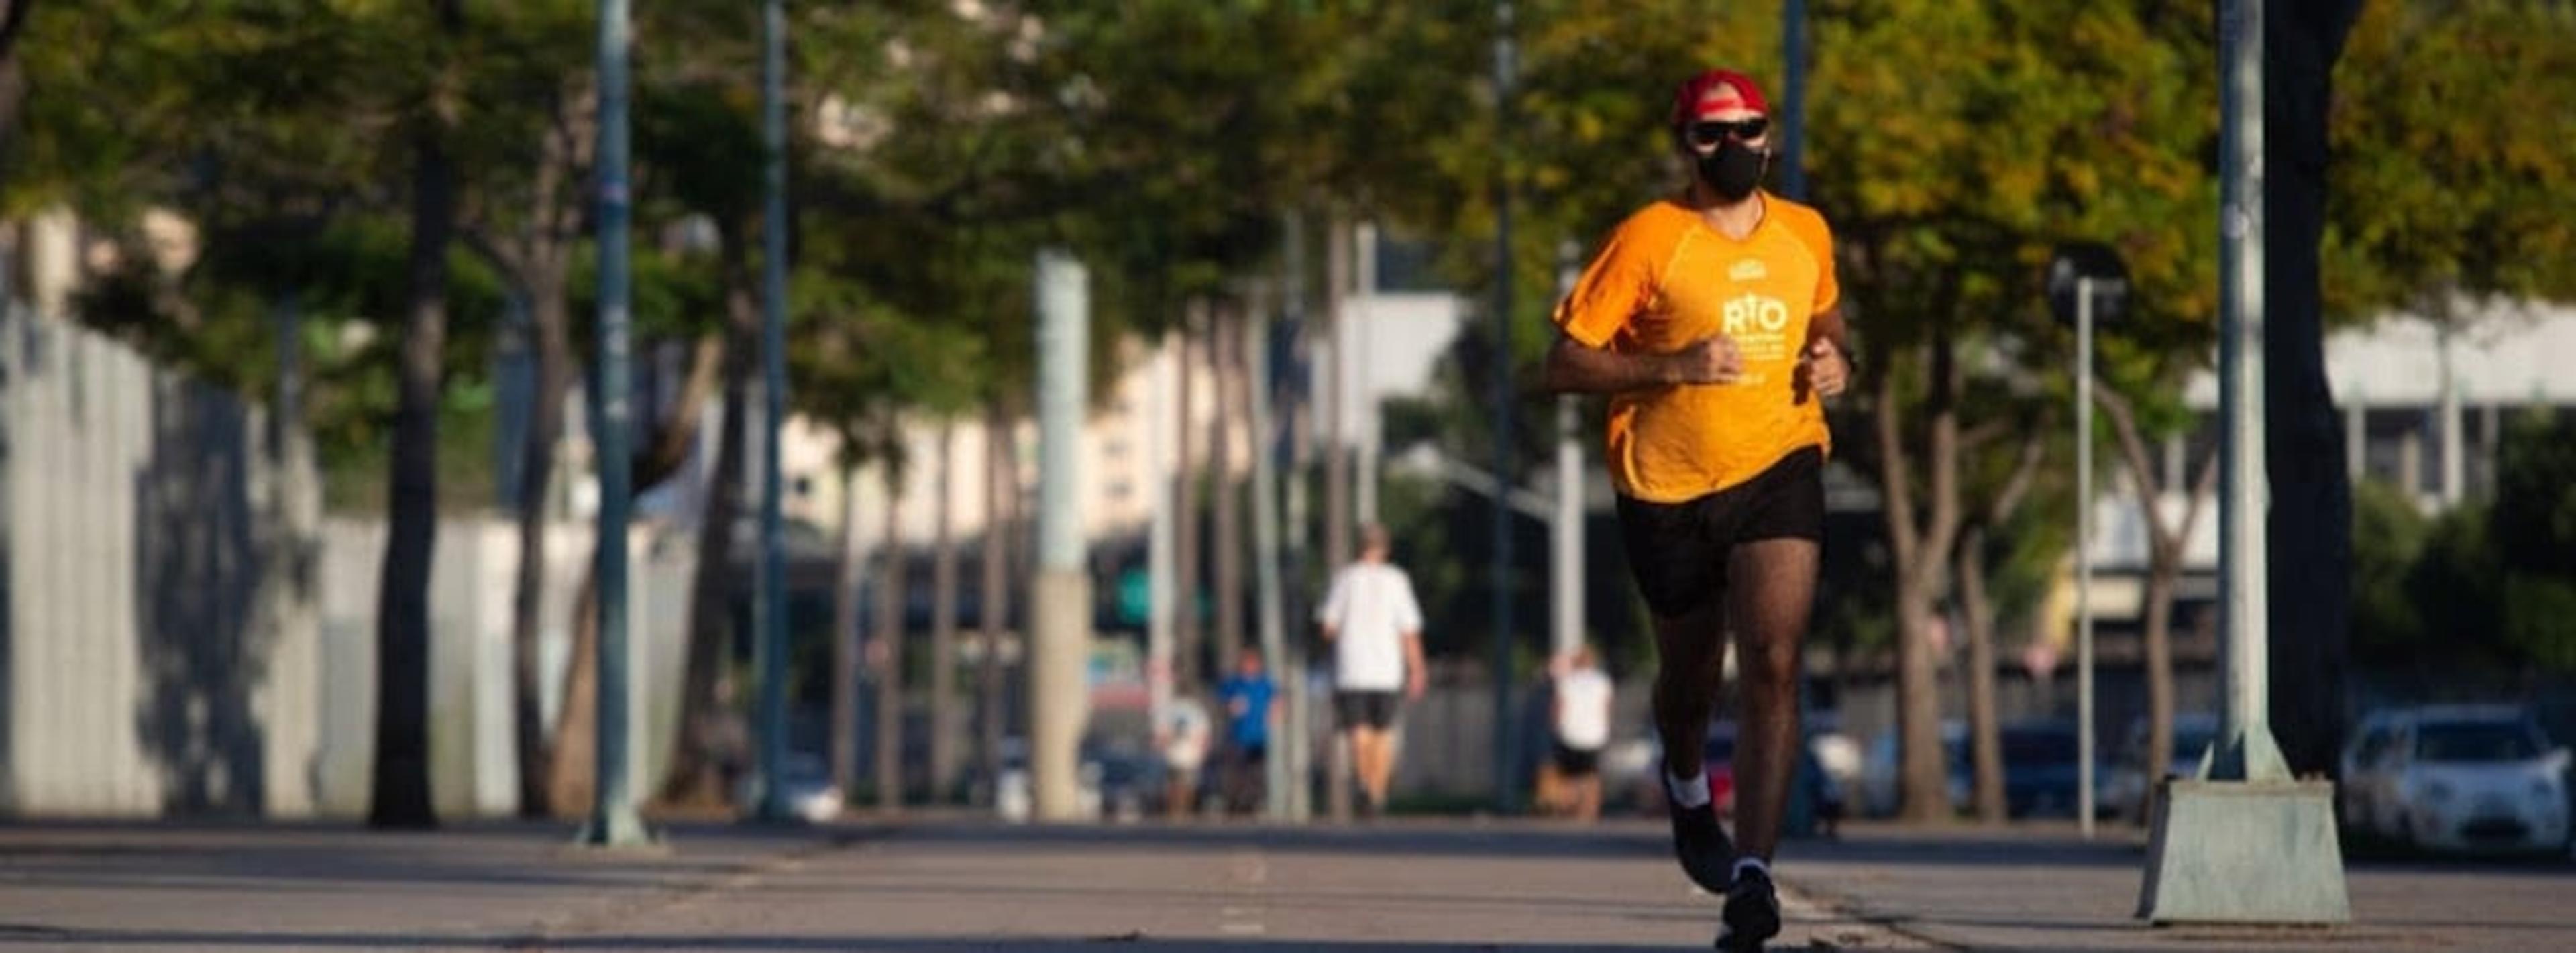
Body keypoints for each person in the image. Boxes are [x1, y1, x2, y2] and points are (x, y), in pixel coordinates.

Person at [1539, 67, 1851, 951]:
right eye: (1711, 134)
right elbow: (1564, 362)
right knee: (1690, 683)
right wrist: (1672, 367)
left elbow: (1827, 325)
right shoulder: (1650, 238)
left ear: (1770, 135)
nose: (1733, 147)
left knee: (1776, 661)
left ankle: (1753, 876)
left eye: (1748, 129)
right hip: (1666, 486)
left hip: (1778, 461)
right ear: (1686, 144)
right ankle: (1685, 785)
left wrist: (1836, 366)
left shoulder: (1805, 233)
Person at [1316, 523, 1427, 818]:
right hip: (1387, 670)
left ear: (1359, 546)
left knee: (1359, 732)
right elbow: (1409, 631)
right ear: (1385, 548)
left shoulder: (1345, 579)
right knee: (1384, 734)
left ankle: (1365, 782)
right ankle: (1377, 792)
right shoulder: (1398, 580)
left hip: (1352, 668)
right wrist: (1417, 668)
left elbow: (1329, 627)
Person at [1545, 644, 1615, 822]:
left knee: (1569, 776)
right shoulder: (1602, 681)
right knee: (1592, 776)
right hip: (1595, 735)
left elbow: (1559, 708)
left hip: (1570, 733)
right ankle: (1589, 812)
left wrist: (1554, 727)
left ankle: (1571, 811)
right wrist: (1605, 728)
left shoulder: (1567, 681)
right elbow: (1606, 708)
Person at [1215, 648, 1277, 816]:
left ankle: (1252, 803)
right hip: (1237, 736)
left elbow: (1276, 701)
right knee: (1236, 773)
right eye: (1246, 663)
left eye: (1252, 663)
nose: (1249, 666)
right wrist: (1230, 707)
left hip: (1258, 737)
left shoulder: (1265, 684)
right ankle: (1235, 803)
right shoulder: (1233, 683)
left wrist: (1273, 714)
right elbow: (1221, 700)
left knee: (1255, 773)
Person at [1155, 692, 1212, 818]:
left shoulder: (1194, 710)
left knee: (1187, 785)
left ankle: (1184, 811)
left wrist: (1202, 750)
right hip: (1175, 756)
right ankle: (1175, 811)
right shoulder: (1173, 709)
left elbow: (1204, 734)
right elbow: (1162, 735)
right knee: (1175, 785)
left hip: (1189, 756)